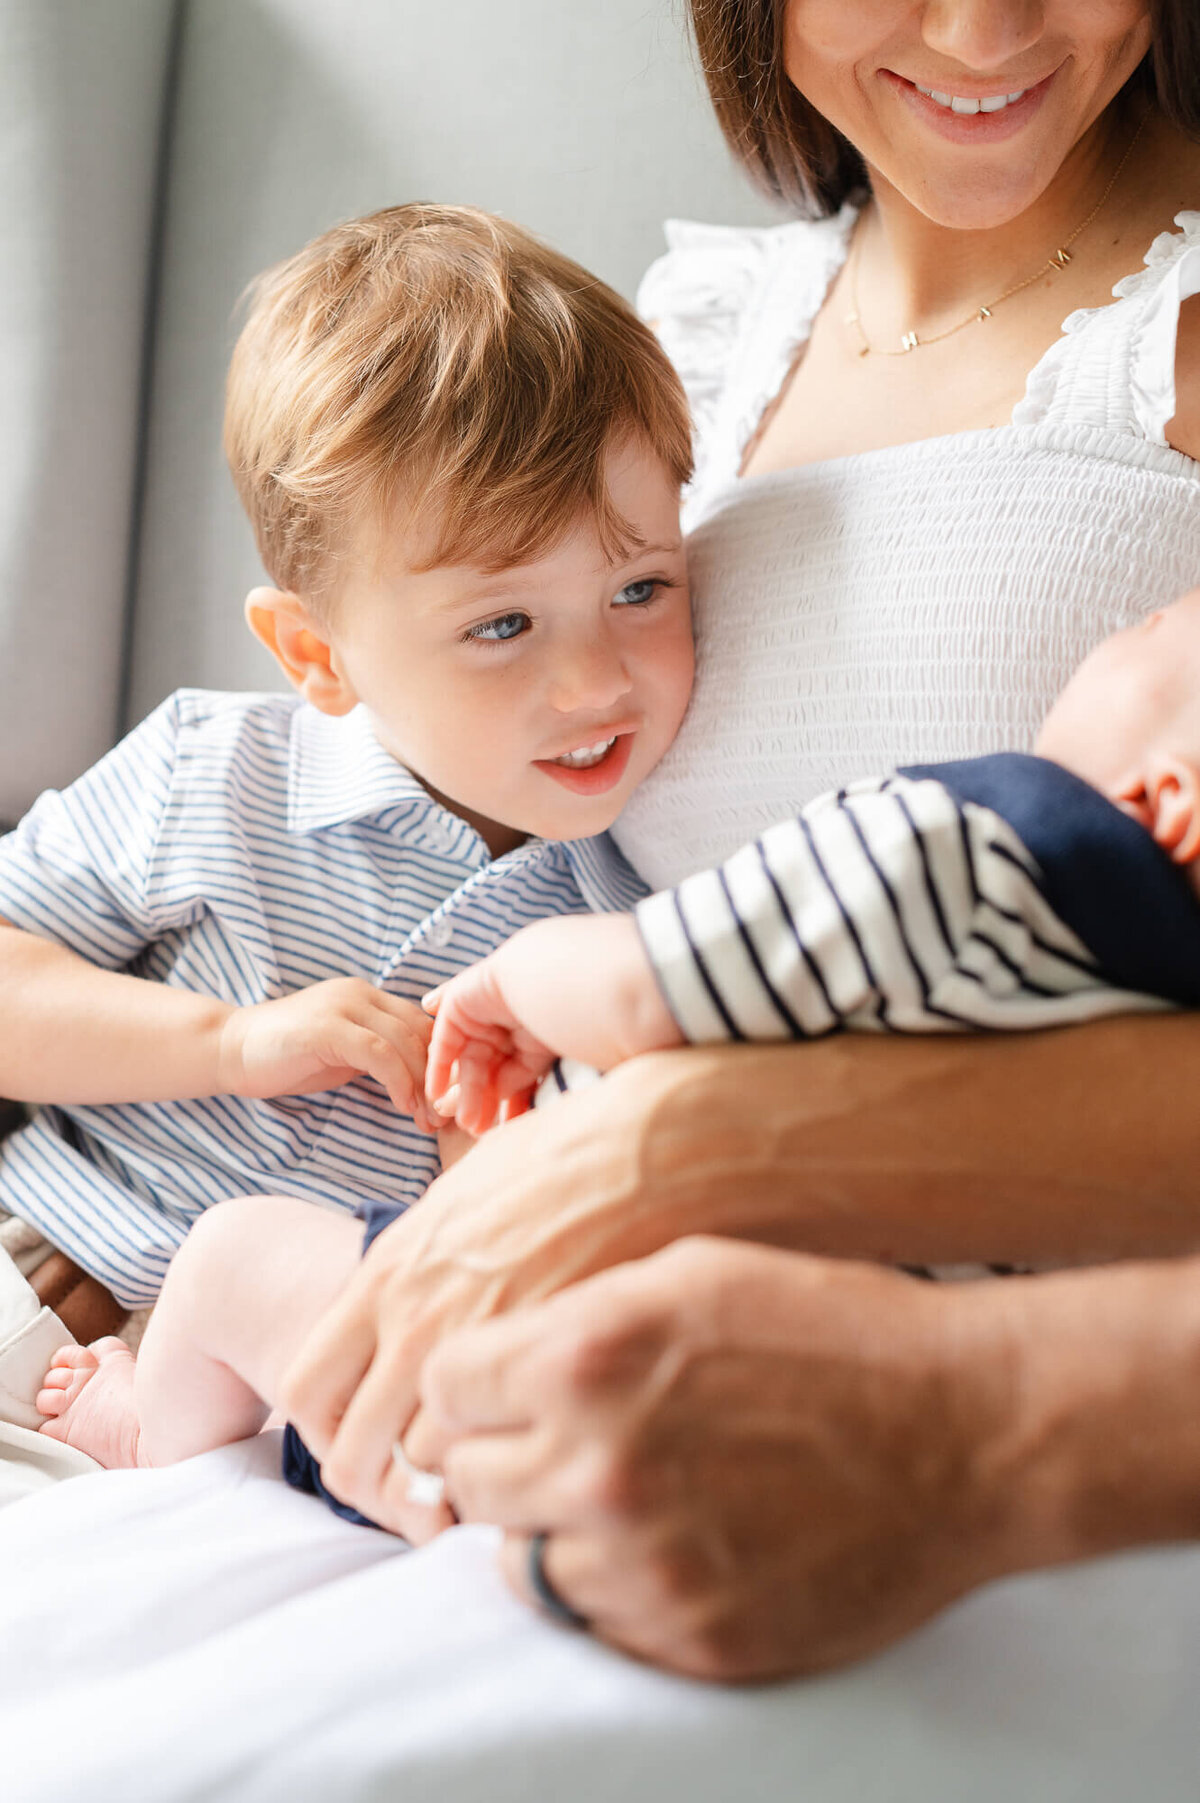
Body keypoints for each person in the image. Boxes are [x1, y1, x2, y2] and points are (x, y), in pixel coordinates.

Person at [268, 1, 1200, 1679]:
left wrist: (689, 1135)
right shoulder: (689, 337)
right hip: (622, 1357)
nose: (983, 26)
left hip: (994, 1405)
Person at [34, 579, 1200, 1484]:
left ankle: (148, 1431)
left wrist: (518, 978)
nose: (1117, 633)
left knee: (235, 1257)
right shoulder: (1136, 1031)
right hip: (728, 1414)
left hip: (544, 1315)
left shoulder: (975, 839)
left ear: (1171, 800)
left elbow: (661, 981)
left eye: (1155, 624)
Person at [0, 201, 693, 1422]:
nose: (600, 682)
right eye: (502, 625)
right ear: (317, 654)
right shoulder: (213, 774)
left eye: (640, 587)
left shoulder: (631, 919)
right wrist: (226, 1045)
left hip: (267, 1392)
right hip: (37, 1270)